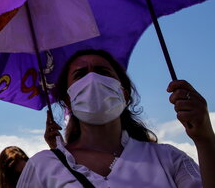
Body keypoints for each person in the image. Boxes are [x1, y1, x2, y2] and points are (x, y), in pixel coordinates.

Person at [18, 49, 215, 187]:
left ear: (125, 94)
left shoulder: (168, 158)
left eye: (103, 72)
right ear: (68, 101)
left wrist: (205, 139)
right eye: (80, 75)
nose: (92, 80)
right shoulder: (42, 166)